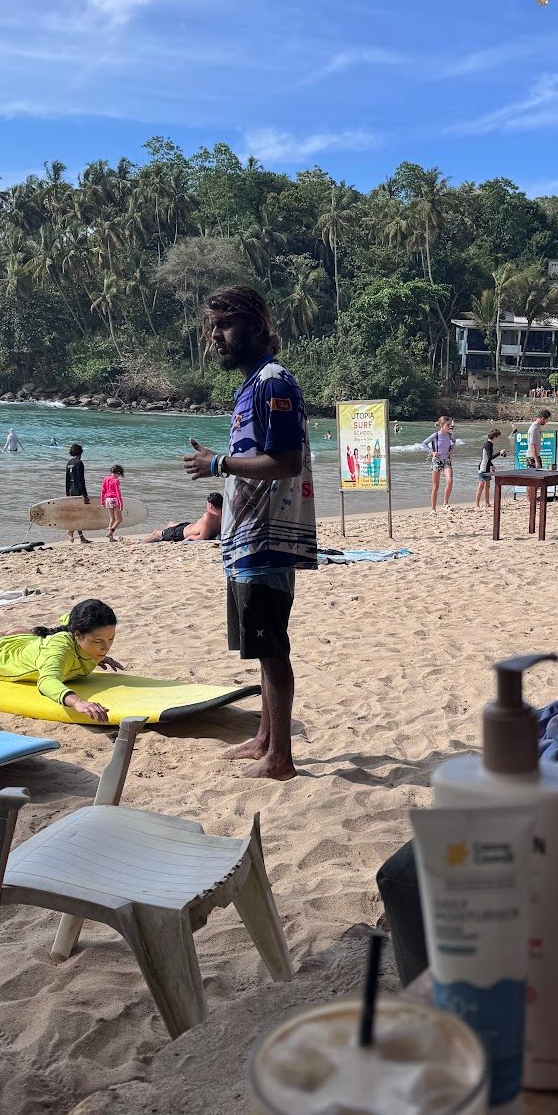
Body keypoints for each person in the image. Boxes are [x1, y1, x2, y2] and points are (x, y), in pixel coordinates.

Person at [181, 286, 316, 781]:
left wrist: (217, 463)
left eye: (225, 325)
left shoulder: (273, 382)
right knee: (262, 645)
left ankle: (281, 758)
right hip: (248, 537)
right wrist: (224, 464)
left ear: (257, 325)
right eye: (212, 327)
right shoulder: (253, 384)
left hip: (267, 537)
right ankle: (264, 739)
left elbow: (286, 462)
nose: (215, 336)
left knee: (272, 646)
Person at [132, 492, 223, 544]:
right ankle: (170, 527)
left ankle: (139, 542)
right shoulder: (224, 515)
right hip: (187, 527)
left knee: (157, 534)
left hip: (181, 533)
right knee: (172, 525)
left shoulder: (208, 516)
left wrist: (190, 537)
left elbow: (203, 537)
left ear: (210, 506)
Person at [423, 416, 456, 510]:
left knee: (450, 481)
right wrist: (432, 452)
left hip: (446, 460)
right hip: (436, 461)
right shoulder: (435, 435)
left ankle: (445, 504)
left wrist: (451, 450)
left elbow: (454, 441)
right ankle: (433, 509)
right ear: (441, 425)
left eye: (450, 425)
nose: (449, 427)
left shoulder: (450, 435)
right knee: (435, 486)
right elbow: (424, 444)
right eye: (448, 425)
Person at [65, 442, 91, 544]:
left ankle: (80, 537)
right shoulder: (79, 463)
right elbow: (81, 480)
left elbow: (67, 479)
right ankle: (70, 530)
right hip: (78, 492)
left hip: (71, 491)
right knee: (79, 514)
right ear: (80, 452)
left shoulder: (69, 463)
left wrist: (67, 492)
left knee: (76, 514)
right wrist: (85, 495)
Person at [475, 427, 507, 510]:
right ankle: (477, 505)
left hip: (487, 467)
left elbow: (487, 458)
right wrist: (499, 453)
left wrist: (491, 465)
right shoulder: (488, 444)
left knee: (487, 486)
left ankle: (487, 503)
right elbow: (489, 457)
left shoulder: (490, 444)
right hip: (482, 468)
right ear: (495, 437)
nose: (498, 439)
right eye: (498, 437)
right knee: (481, 486)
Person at [100, 464, 124, 542]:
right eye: (119, 474)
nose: (119, 476)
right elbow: (118, 493)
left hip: (107, 500)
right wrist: (121, 504)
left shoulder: (106, 479)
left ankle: (111, 538)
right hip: (114, 499)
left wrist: (102, 501)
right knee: (119, 519)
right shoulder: (116, 481)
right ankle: (110, 532)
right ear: (118, 473)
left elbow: (103, 491)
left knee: (112, 518)